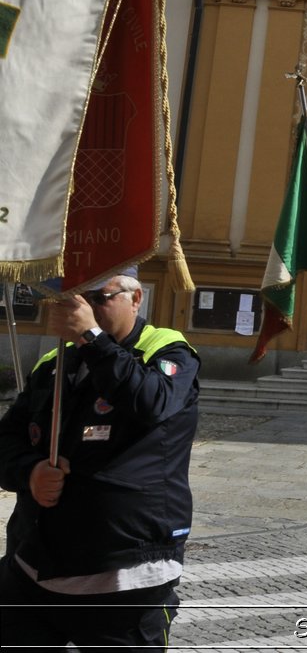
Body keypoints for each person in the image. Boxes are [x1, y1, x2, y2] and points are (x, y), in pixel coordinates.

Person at [0, 271, 200, 650]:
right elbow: (7, 438)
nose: (84, 308)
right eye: (72, 299)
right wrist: (30, 472)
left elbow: (151, 402)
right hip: (33, 570)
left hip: (123, 578)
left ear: (136, 298)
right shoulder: (55, 361)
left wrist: (93, 339)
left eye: (98, 297)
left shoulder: (167, 352)